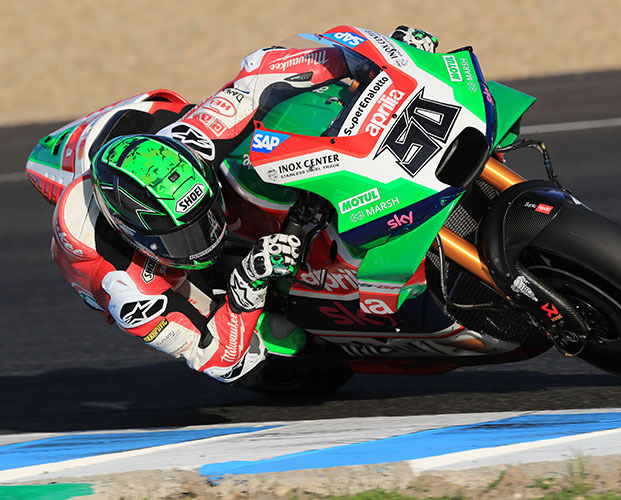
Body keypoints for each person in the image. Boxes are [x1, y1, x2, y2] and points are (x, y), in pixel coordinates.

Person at [30, 27, 438, 385]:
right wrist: (246, 286)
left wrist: (381, 62)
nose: (204, 238)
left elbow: (267, 71)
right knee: (261, 351)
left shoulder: (199, 136)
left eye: (202, 219)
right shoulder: (125, 287)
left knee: (292, 116)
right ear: (135, 236)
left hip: (143, 128)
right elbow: (214, 359)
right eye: (186, 234)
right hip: (129, 265)